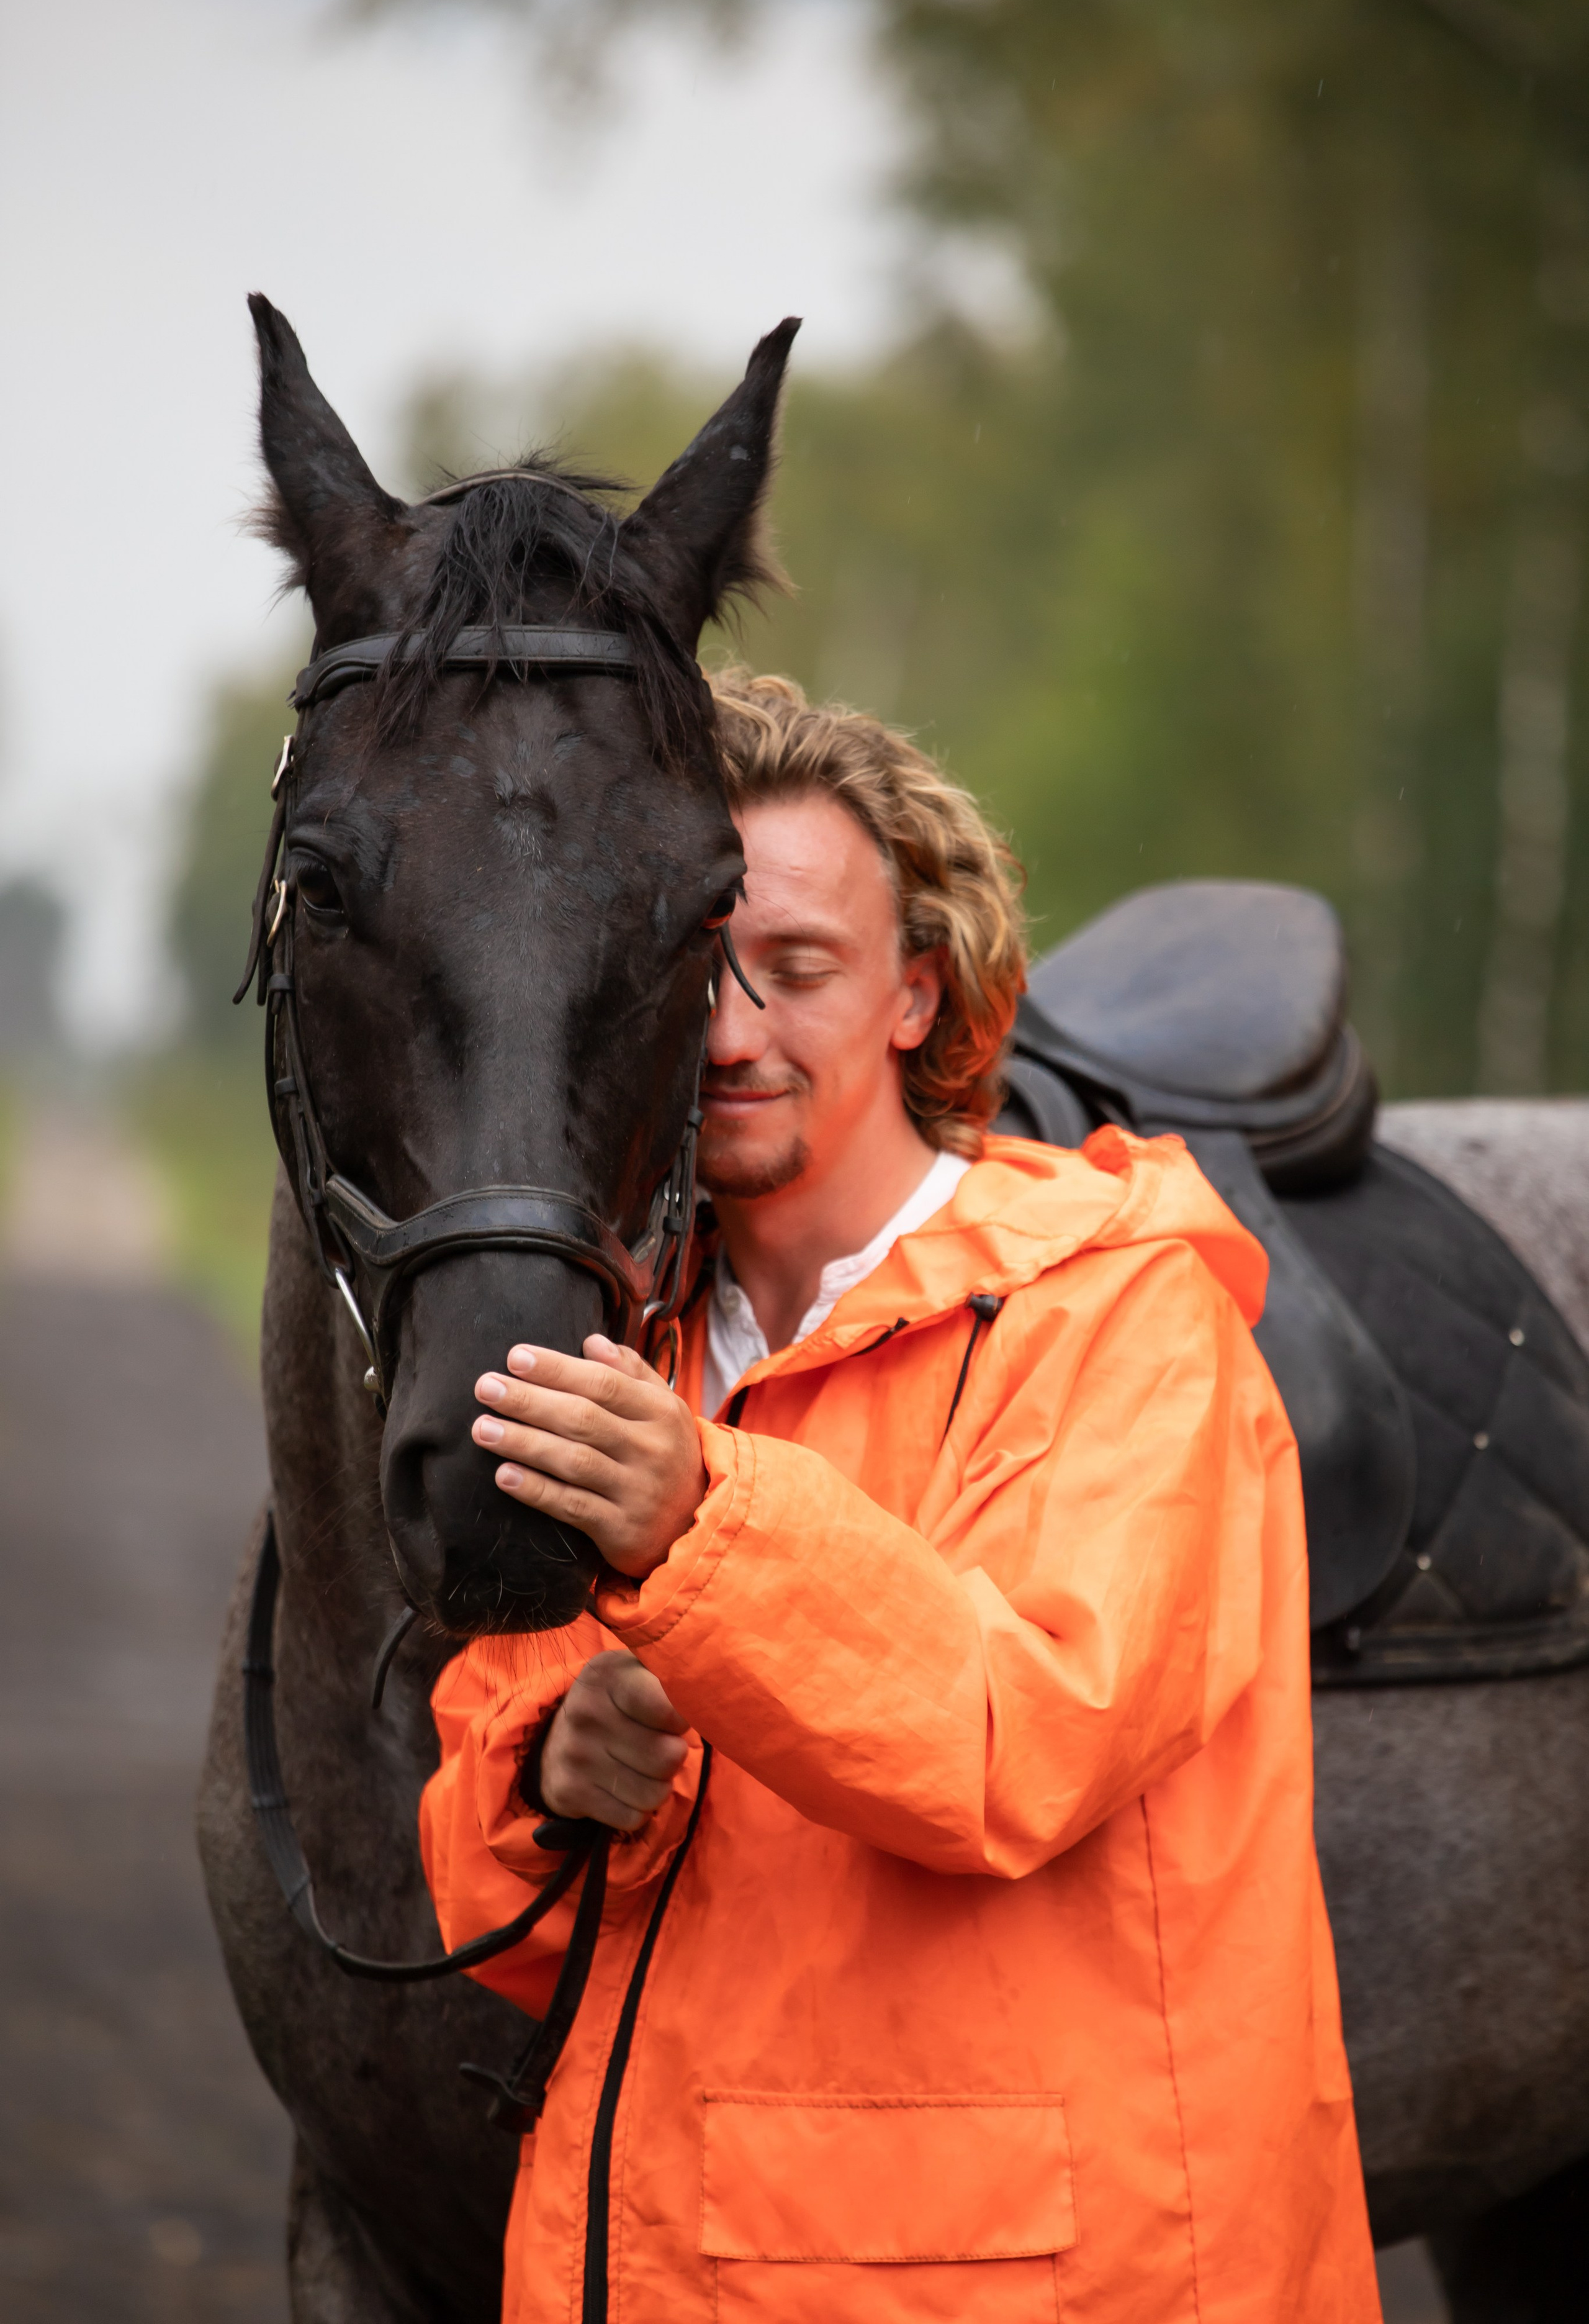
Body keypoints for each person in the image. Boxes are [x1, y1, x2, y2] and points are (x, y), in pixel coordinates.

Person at [421, 669, 1382, 2323]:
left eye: (798, 968)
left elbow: (1022, 1735)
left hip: (1063, 2285)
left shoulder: (1120, 1318)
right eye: (694, 967)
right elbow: (487, 1901)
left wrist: (696, 1531)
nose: (733, 1033)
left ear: (915, 996)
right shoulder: (631, 1352)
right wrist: (552, 1785)